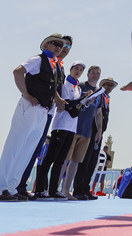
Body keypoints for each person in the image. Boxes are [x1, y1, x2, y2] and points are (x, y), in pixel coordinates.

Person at [0, 34, 68, 201]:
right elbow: (18, 71)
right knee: (14, 147)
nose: (59, 47)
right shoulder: (38, 59)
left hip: (43, 111)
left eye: (61, 45)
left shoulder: (54, 65)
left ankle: (12, 187)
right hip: (29, 107)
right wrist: (26, 94)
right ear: (46, 45)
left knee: (27, 151)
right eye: (55, 43)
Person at [17, 34, 71, 199]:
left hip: (48, 112)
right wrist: (57, 98)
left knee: (35, 149)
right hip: (37, 108)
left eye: (67, 46)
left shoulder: (59, 66)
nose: (63, 48)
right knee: (25, 146)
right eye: (59, 44)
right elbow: (20, 72)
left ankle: (21, 185)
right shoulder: (43, 61)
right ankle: (16, 185)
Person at [33, 61, 90, 200]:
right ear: (70, 69)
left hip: (71, 128)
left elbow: (76, 109)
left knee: (60, 160)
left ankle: (53, 189)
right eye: (76, 68)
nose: (78, 71)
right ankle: (40, 189)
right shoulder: (65, 85)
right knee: (50, 158)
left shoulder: (78, 88)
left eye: (81, 70)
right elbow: (67, 105)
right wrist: (82, 99)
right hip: (61, 126)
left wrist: (85, 101)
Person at [73, 75, 117, 200]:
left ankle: (85, 188)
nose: (109, 87)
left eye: (111, 85)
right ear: (102, 85)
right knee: (85, 160)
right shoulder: (98, 95)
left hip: (99, 133)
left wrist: (100, 131)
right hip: (91, 130)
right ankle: (78, 188)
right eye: (107, 84)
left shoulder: (107, 99)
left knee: (92, 162)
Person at [63, 65, 100, 199]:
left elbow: (98, 112)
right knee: (65, 159)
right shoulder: (81, 86)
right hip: (73, 128)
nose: (95, 75)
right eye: (93, 72)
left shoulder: (99, 92)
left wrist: (99, 130)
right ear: (88, 74)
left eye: (98, 73)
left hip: (87, 132)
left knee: (75, 162)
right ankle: (55, 189)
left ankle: (66, 190)